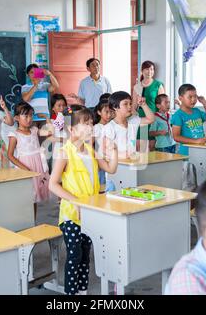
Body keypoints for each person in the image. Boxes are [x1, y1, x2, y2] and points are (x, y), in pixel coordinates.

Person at [48, 105, 118, 295]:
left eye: (91, 124)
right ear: (71, 129)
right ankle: (71, 294)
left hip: (90, 212)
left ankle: (82, 291)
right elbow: (53, 184)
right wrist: (76, 201)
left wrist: (114, 151)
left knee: (86, 255)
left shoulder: (89, 149)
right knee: (75, 254)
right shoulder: (65, 151)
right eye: (85, 125)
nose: (90, 128)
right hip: (72, 213)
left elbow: (111, 169)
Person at [7, 102, 53, 219]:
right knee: (27, 195)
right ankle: (23, 220)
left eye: (31, 115)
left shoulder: (34, 130)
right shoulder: (14, 134)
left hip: (37, 165)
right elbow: (10, 155)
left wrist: (47, 119)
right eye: (26, 116)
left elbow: (50, 132)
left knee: (35, 196)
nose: (29, 119)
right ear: (17, 118)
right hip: (25, 167)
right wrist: (26, 169)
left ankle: (33, 220)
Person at [172, 84, 206, 155]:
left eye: (195, 96)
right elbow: (176, 137)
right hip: (187, 152)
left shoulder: (197, 111)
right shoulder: (178, 115)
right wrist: (196, 141)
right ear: (180, 98)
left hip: (201, 149)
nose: (193, 99)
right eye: (190, 97)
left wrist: (204, 102)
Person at [133, 61, 165, 151]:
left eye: (151, 69)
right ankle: (141, 164)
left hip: (153, 119)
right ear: (142, 71)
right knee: (141, 147)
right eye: (147, 69)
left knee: (152, 146)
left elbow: (162, 104)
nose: (149, 71)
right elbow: (134, 106)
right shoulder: (137, 86)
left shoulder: (158, 85)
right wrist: (134, 119)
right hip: (142, 120)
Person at [94, 93, 114, 187]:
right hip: (101, 159)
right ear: (99, 112)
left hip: (112, 159)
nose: (109, 115)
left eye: (111, 112)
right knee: (101, 184)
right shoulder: (97, 127)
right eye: (106, 112)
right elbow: (90, 145)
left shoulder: (113, 126)